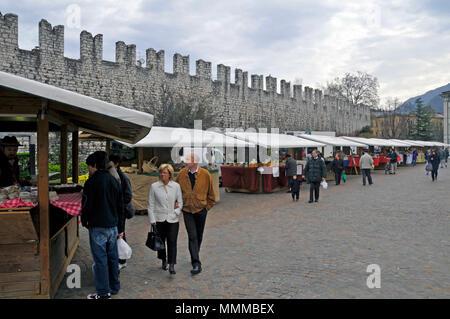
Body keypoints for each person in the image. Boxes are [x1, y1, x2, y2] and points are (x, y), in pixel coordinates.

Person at [81, 151, 125, 299]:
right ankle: (114, 286)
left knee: (100, 260)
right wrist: (121, 228)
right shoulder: (114, 180)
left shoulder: (91, 182)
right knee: (112, 258)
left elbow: (86, 205)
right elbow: (121, 207)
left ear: (94, 165)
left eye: (89, 167)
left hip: (97, 225)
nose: (89, 170)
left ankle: (103, 292)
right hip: (112, 226)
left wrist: (85, 220)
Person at [176, 152, 216, 275]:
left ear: (195, 161)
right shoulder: (182, 174)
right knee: (192, 235)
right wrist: (178, 203)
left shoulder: (205, 174)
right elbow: (176, 190)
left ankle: (195, 252)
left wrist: (206, 207)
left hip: (201, 210)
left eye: (188, 159)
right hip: (187, 210)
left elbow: (211, 195)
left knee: (199, 235)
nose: (186, 161)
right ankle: (196, 263)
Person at [148, 164, 183, 275]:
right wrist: (152, 221)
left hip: (173, 219)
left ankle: (172, 264)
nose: (162, 174)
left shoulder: (176, 186)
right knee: (161, 241)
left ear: (170, 174)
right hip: (159, 219)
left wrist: (176, 212)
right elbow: (150, 205)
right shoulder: (154, 186)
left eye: (165, 173)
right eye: (161, 172)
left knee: (172, 241)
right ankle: (164, 260)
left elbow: (180, 202)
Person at [109, 154, 135, 270]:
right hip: (115, 210)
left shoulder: (122, 177)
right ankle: (120, 258)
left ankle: (122, 259)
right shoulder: (112, 175)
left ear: (116, 164)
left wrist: (119, 204)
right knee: (119, 233)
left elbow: (128, 195)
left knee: (120, 233)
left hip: (121, 211)